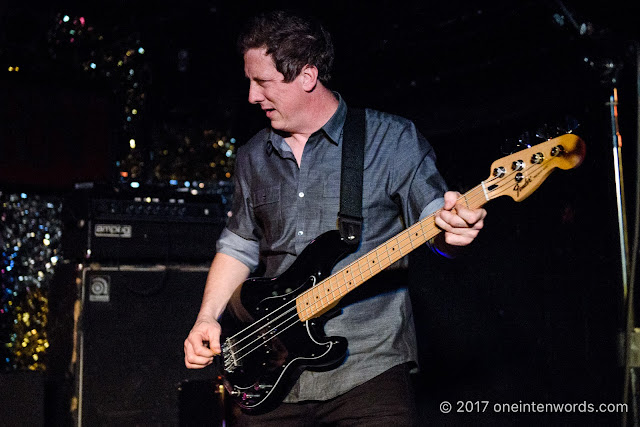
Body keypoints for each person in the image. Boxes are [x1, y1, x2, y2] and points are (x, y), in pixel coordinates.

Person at [184, 10, 486, 426]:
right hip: (269, 377)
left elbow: (434, 217)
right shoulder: (253, 155)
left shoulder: (391, 139)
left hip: (368, 370)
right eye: (250, 82)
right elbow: (240, 243)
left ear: (307, 77)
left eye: (263, 82)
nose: (252, 96)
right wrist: (206, 318)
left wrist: (454, 228)